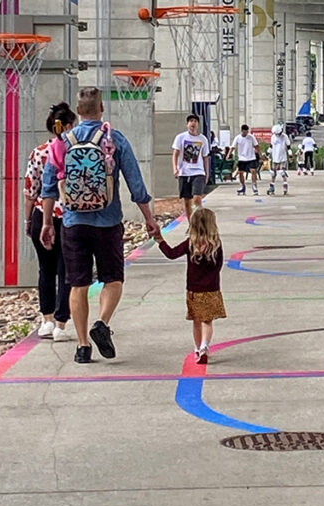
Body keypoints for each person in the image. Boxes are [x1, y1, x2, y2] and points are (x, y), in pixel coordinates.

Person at [41, 86, 162, 364]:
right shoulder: (114, 139)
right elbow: (136, 183)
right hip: (108, 221)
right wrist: (149, 218)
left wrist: (47, 223)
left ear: (78, 112)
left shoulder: (62, 142)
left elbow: (48, 187)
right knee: (113, 279)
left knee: (78, 284)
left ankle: (83, 346)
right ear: (101, 109)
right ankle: (102, 323)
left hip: (73, 223)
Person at [24, 102, 76, 342]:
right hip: (67, 216)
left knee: (45, 269)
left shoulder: (38, 152)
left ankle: (46, 319)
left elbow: (30, 190)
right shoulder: (75, 151)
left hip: (39, 215)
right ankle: (61, 324)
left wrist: (28, 219)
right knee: (66, 270)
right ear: (66, 126)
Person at [158, 206, 226, 365]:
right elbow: (219, 266)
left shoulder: (190, 243)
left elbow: (172, 254)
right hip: (211, 288)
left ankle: (197, 348)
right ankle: (204, 346)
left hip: (193, 289)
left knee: (196, 320)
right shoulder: (215, 245)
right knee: (207, 321)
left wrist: (160, 241)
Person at [172, 113, 210, 219]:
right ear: (187, 124)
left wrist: (207, 173)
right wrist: (175, 168)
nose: (193, 123)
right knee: (187, 201)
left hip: (198, 172)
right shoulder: (180, 137)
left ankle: (201, 222)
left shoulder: (203, 139)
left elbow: (205, 157)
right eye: (191, 121)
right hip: (184, 172)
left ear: (198, 124)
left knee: (197, 198)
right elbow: (175, 154)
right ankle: (191, 225)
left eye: (195, 121)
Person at [228, 123, 260, 195]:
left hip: (251, 157)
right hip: (242, 158)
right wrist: (228, 155)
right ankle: (242, 186)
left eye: (247, 132)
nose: (246, 134)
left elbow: (256, 146)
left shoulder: (251, 137)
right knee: (240, 173)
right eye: (244, 132)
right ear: (242, 131)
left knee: (253, 171)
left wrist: (260, 155)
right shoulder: (237, 138)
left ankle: (254, 185)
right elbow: (233, 147)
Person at [267, 123, 292, 195]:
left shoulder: (285, 137)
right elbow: (271, 146)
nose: (278, 135)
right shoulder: (273, 137)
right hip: (275, 157)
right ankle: (272, 186)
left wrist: (290, 155)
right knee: (273, 173)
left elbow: (288, 147)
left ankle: (285, 185)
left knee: (282, 172)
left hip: (282, 157)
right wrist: (267, 154)